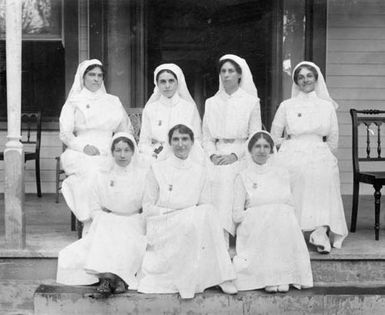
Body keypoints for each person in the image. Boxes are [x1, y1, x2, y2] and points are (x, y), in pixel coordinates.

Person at [138, 124, 237, 299]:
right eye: (175, 139)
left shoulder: (200, 171)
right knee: (201, 215)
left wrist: (187, 215)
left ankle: (222, 276)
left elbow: (204, 204)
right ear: (169, 142)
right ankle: (219, 276)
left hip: (191, 223)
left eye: (185, 139)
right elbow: (147, 207)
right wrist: (174, 213)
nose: (180, 144)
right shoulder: (157, 169)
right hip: (164, 224)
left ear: (192, 143)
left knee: (209, 211)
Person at [270, 61, 348, 253]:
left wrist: (322, 154)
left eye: (309, 76)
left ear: (316, 78)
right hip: (293, 150)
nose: (305, 80)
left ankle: (320, 230)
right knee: (299, 174)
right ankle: (294, 231)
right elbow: (273, 136)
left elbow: (333, 140)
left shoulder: (326, 106)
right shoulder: (287, 105)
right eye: (300, 77)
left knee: (323, 174)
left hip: (319, 151)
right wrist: (288, 145)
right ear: (296, 81)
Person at [57, 133, 147, 296]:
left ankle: (119, 278)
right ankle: (108, 278)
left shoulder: (142, 175)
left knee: (126, 238)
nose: (122, 155)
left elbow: (148, 203)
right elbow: (94, 204)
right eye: (118, 150)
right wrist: (100, 217)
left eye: (126, 150)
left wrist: (140, 219)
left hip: (133, 219)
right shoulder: (102, 174)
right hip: (109, 218)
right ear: (111, 152)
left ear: (133, 152)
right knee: (107, 230)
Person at [232, 131, 313, 293]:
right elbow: (237, 213)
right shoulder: (243, 176)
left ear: (271, 150)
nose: (262, 151)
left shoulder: (281, 173)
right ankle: (270, 278)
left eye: (266, 146)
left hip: (279, 222)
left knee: (283, 214)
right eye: (257, 146)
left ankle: (282, 277)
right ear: (250, 150)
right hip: (254, 225)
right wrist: (258, 214)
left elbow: (287, 202)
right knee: (273, 215)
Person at [59, 59, 133, 234]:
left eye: (100, 75)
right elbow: (65, 134)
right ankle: (91, 222)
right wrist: (84, 147)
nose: (96, 79)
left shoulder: (113, 101)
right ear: (82, 77)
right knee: (93, 171)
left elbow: (125, 129)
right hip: (81, 150)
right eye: (91, 75)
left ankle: (119, 220)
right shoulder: (74, 102)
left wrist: (121, 149)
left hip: (111, 149)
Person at [202, 54, 262, 244]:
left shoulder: (251, 102)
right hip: (216, 152)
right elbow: (206, 136)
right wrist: (212, 155)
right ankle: (211, 234)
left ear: (239, 75)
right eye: (223, 71)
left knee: (227, 177)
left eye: (231, 71)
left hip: (242, 153)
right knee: (204, 176)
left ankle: (225, 234)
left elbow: (255, 137)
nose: (226, 75)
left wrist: (235, 155)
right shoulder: (211, 102)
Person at [139, 63, 202, 161]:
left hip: (184, 158)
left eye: (171, 81)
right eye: (163, 82)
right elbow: (143, 142)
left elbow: (197, 139)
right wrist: (153, 155)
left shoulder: (189, 108)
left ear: (178, 82)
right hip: (156, 158)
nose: (167, 86)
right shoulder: (150, 109)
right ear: (157, 84)